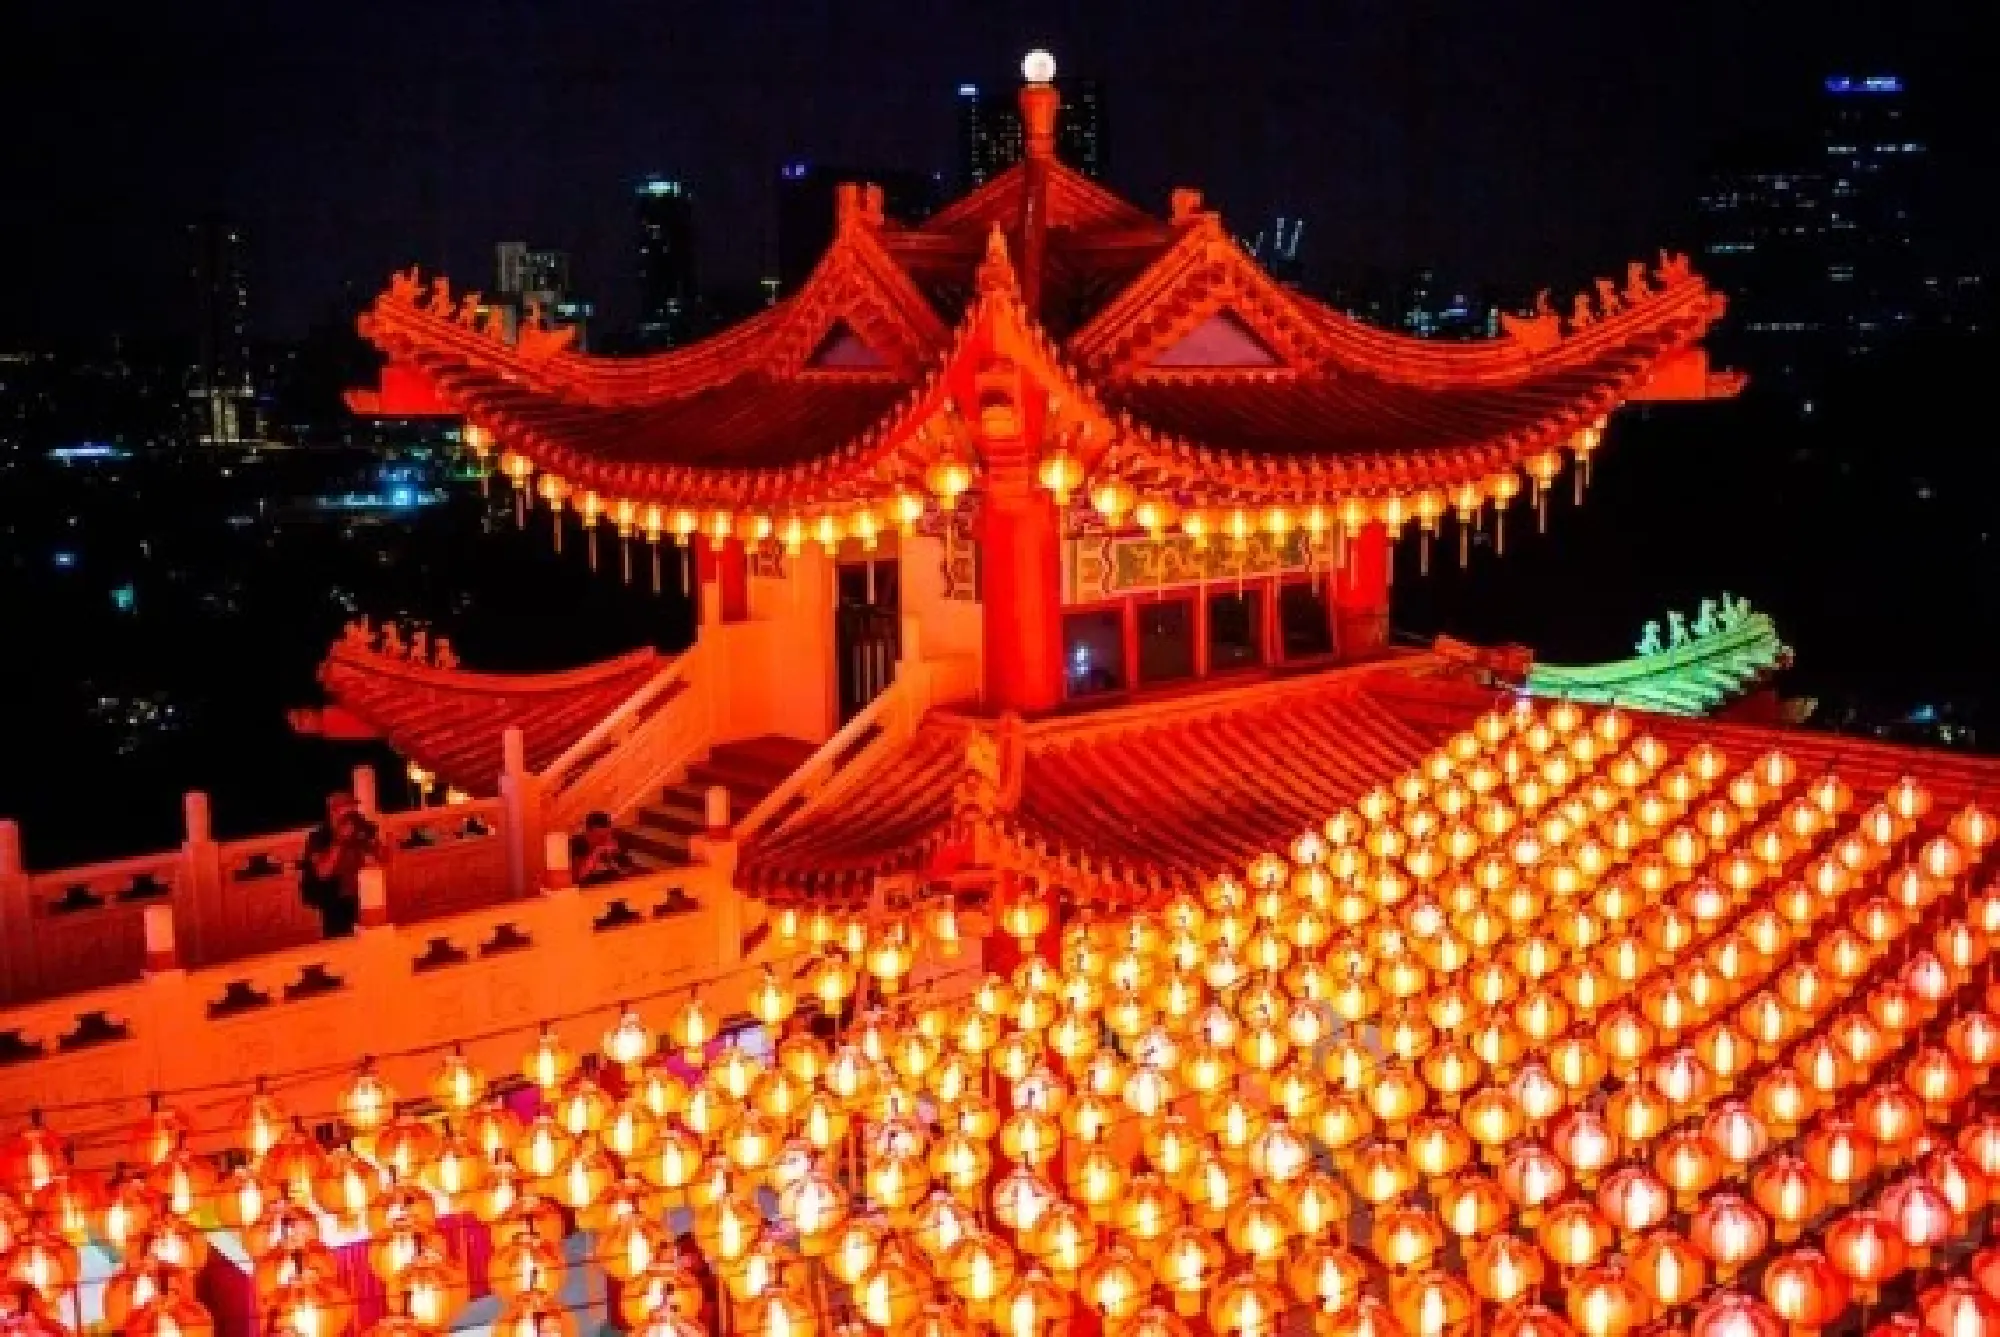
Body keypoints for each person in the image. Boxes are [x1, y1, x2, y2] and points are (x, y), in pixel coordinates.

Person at [300, 793, 378, 937]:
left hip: (364, 896)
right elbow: (323, 872)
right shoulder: (319, 837)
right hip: (334, 900)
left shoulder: (362, 828)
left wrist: (370, 843)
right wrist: (340, 841)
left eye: (354, 808)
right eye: (347, 809)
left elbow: (380, 858)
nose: (353, 812)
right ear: (333, 812)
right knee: (339, 942)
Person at [571, 811, 637, 886]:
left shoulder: (615, 840)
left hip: (611, 888)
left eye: (608, 835)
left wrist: (613, 857)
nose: (604, 840)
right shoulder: (577, 844)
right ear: (587, 832)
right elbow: (578, 878)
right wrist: (596, 852)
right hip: (586, 891)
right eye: (600, 837)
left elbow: (627, 872)